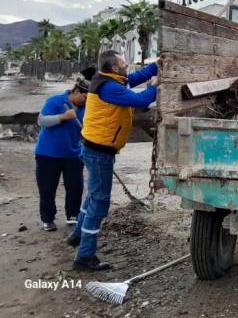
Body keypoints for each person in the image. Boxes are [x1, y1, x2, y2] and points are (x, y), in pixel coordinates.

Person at [68, 50, 159, 271]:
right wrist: (156, 85)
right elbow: (141, 100)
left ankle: (77, 237)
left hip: (94, 148)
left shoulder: (110, 80)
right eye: (124, 63)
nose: (127, 66)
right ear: (116, 68)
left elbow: (134, 79)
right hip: (99, 152)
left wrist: (157, 65)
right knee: (99, 202)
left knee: (93, 195)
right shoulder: (108, 88)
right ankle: (85, 256)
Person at [34, 80, 89, 231]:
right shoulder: (55, 101)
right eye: (85, 97)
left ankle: (73, 216)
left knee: (75, 187)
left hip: (74, 154)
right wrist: (62, 117)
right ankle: (48, 219)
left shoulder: (87, 108)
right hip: (48, 153)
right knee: (47, 188)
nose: (86, 101)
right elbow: (42, 121)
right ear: (76, 91)